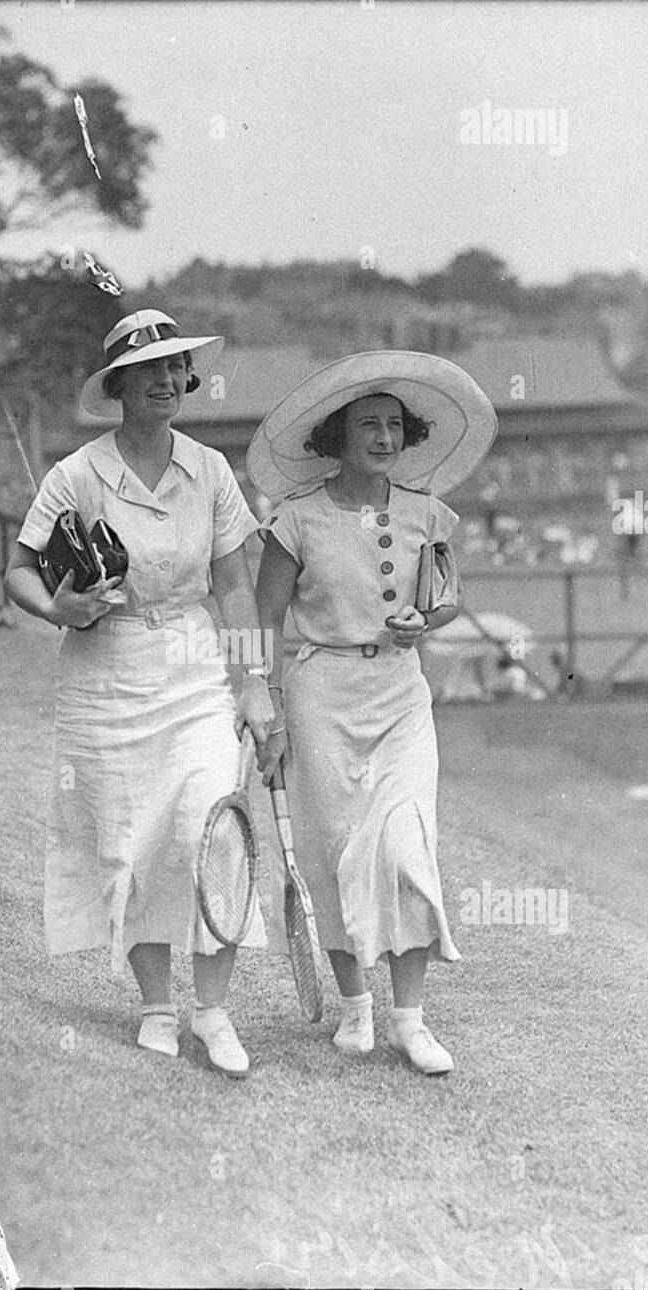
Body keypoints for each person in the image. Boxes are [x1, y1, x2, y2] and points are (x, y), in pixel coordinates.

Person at [4, 309, 275, 1078]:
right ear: (118, 386)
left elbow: (233, 584)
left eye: (174, 368)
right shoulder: (78, 474)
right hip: (105, 670)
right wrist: (58, 607)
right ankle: (158, 1006)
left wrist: (253, 682)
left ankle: (214, 1011)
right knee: (134, 838)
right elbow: (19, 569)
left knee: (213, 827)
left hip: (191, 666)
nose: (165, 381)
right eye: (147, 370)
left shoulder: (211, 470)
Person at [251, 351, 497, 1075]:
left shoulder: (428, 513)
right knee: (330, 853)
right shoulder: (294, 520)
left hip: (400, 694)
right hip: (320, 695)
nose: (383, 437)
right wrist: (263, 706)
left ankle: (410, 1021)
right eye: (368, 425)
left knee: (404, 845)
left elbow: (447, 596)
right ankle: (356, 1009)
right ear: (337, 436)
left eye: (394, 425)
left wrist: (431, 619)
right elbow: (262, 620)